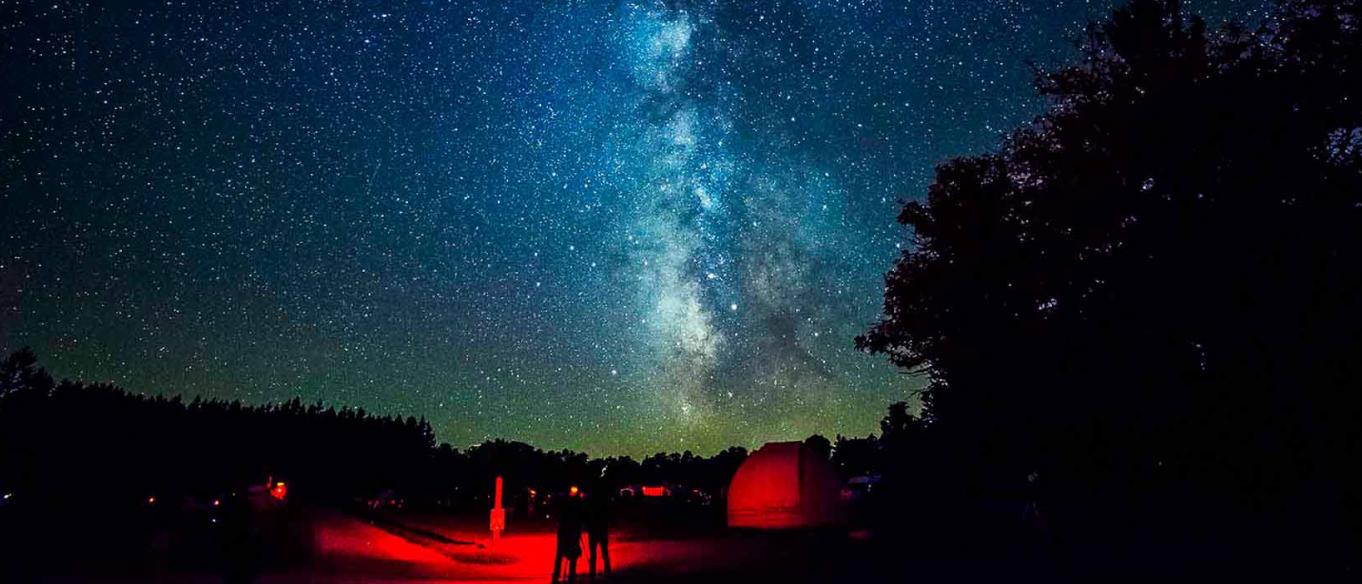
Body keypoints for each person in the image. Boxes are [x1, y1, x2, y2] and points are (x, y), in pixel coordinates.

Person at [552, 490, 584, 583]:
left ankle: (557, 575)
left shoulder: (565, 506)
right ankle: (570, 576)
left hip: (565, 533)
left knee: (561, 554)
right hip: (570, 533)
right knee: (571, 555)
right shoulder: (576, 507)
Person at [584, 490, 611, 579]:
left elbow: (587, 518)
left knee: (594, 553)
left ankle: (593, 572)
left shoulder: (590, 506)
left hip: (594, 531)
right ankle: (607, 570)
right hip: (601, 530)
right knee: (604, 551)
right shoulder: (602, 506)